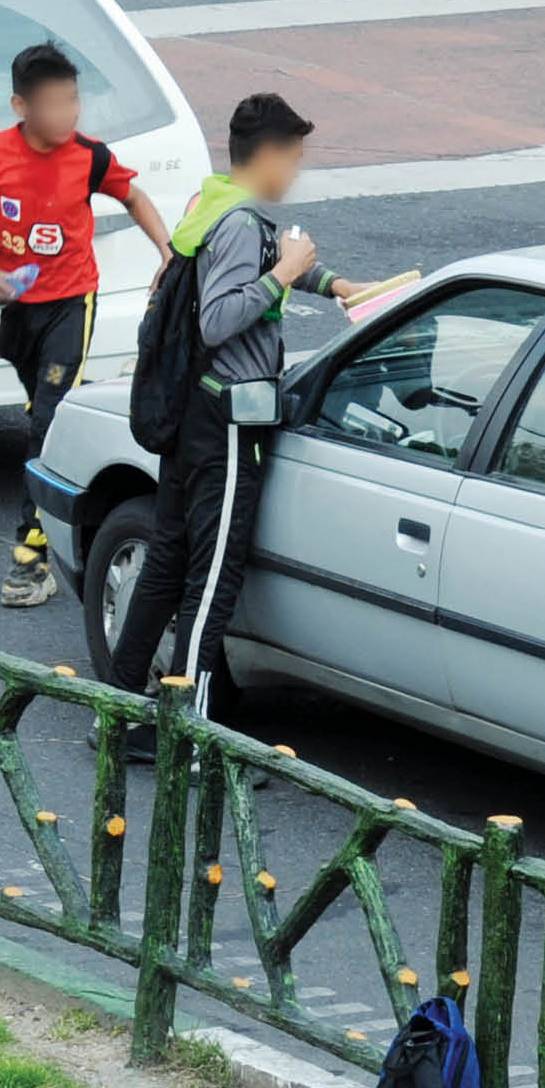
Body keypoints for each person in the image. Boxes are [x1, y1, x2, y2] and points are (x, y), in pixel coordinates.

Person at [107, 93, 366, 714]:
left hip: (188, 411)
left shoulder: (211, 199)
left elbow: (247, 264)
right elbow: (219, 318)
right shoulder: (244, 221)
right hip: (226, 424)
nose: (296, 173)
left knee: (166, 560)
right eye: (295, 159)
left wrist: (327, 282)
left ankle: (119, 708)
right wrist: (284, 276)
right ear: (271, 154)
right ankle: (185, 735)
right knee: (212, 579)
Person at [0, 44, 173, 607]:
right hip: (20, 308)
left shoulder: (90, 156)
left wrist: (167, 253)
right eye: (53, 104)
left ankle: (32, 556)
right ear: (21, 105)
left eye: (74, 101)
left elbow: (134, 196)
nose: (68, 114)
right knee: (39, 412)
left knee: (47, 422)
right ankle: (57, 436)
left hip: (75, 300)